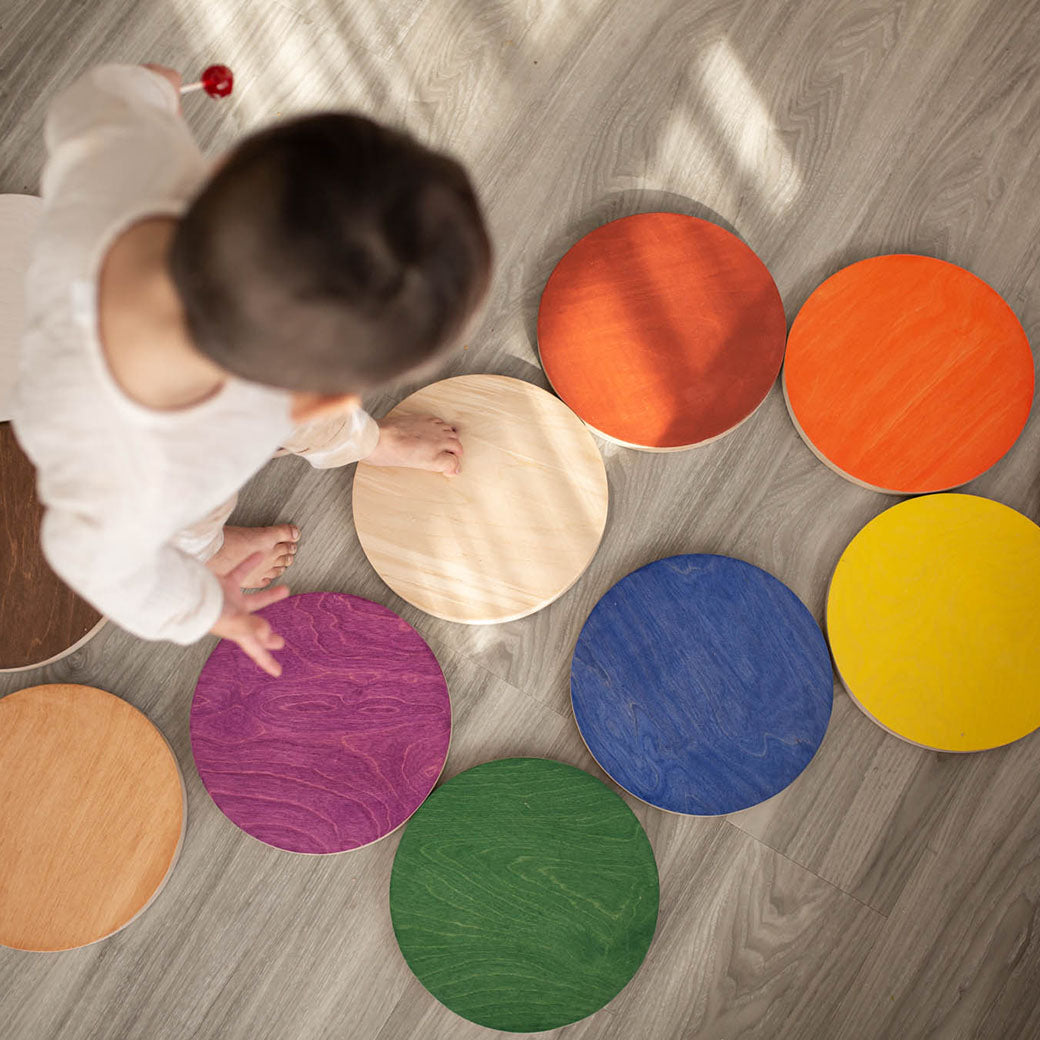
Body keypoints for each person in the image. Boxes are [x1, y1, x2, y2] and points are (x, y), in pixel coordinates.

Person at [11, 63, 491, 676]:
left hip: (94, 339)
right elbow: (89, 557)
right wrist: (201, 603)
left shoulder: (127, 158)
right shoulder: (155, 475)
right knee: (193, 525)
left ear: (223, 166)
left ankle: (365, 445)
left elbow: (94, 101)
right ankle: (208, 552)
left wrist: (150, 89)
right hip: (149, 454)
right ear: (318, 400)